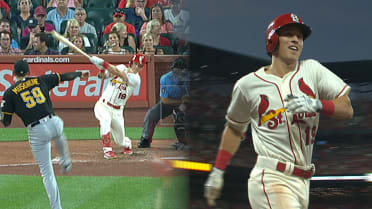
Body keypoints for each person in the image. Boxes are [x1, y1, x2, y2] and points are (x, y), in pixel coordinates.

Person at [204, 13, 354, 209]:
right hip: (271, 176)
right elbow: (234, 129)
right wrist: (218, 171)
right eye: (288, 34)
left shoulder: (313, 70)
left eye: (299, 37)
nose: (295, 39)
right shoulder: (248, 85)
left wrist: (318, 104)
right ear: (272, 40)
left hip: (303, 180)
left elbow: (347, 109)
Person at [0, 60, 90, 209]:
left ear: (13, 74)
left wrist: (3, 113)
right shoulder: (39, 80)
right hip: (53, 121)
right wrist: (80, 74)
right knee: (59, 130)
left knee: (47, 173)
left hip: (36, 131)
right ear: (28, 72)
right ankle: (65, 160)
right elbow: (64, 76)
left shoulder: (9, 93)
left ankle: (57, 207)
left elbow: (6, 122)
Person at [89, 53, 146, 159]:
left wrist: (103, 63)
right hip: (103, 105)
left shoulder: (136, 79)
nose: (137, 67)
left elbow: (121, 74)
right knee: (105, 119)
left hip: (117, 111)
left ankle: (127, 143)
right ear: (132, 62)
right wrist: (101, 68)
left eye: (140, 66)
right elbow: (102, 76)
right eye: (136, 64)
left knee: (120, 141)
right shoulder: (121, 67)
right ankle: (107, 150)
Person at [138, 57, 189, 148]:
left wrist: (183, 104)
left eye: (180, 72)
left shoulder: (189, 78)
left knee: (181, 115)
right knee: (151, 114)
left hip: (185, 105)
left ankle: (185, 142)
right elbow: (164, 100)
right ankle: (146, 139)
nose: (176, 74)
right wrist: (181, 101)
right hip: (168, 104)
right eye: (175, 71)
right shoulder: (165, 78)